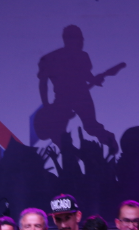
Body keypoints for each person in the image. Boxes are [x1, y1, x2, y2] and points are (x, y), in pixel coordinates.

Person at [38, 24, 118, 154]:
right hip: (62, 99)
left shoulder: (82, 56)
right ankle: (74, 156)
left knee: (90, 127)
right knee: (58, 134)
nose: (81, 41)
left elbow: (87, 76)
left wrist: (95, 80)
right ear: (68, 39)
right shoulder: (50, 58)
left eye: (81, 38)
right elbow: (43, 83)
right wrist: (46, 105)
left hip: (81, 97)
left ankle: (109, 140)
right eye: (78, 38)